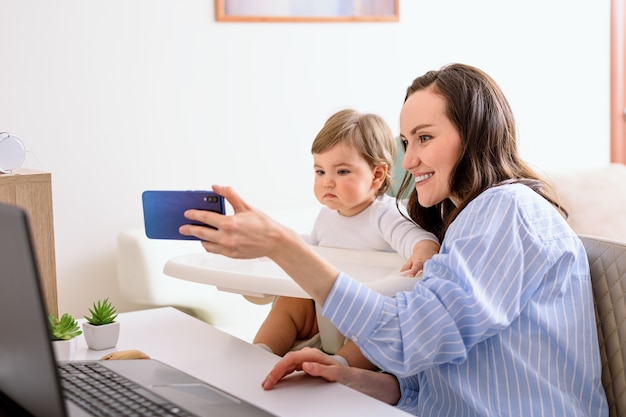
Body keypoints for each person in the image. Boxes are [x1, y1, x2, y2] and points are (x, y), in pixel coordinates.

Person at [179, 63, 608, 416]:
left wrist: (280, 245)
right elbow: (434, 377)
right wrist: (349, 375)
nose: (411, 159)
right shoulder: (465, 224)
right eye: (406, 142)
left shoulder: (508, 210)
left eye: (424, 137)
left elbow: (409, 338)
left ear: (474, 134)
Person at [252, 109, 440, 368]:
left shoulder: (384, 215)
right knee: (292, 300)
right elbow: (313, 248)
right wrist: (275, 247)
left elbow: (418, 240)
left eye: (341, 172)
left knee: (380, 324)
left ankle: (340, 366)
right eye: (320, 172)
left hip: (368, 317)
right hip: (325, 314)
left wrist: (423, 252)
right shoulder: (326, 217)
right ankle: (259, 352)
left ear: (376, 175)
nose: (327, 182)